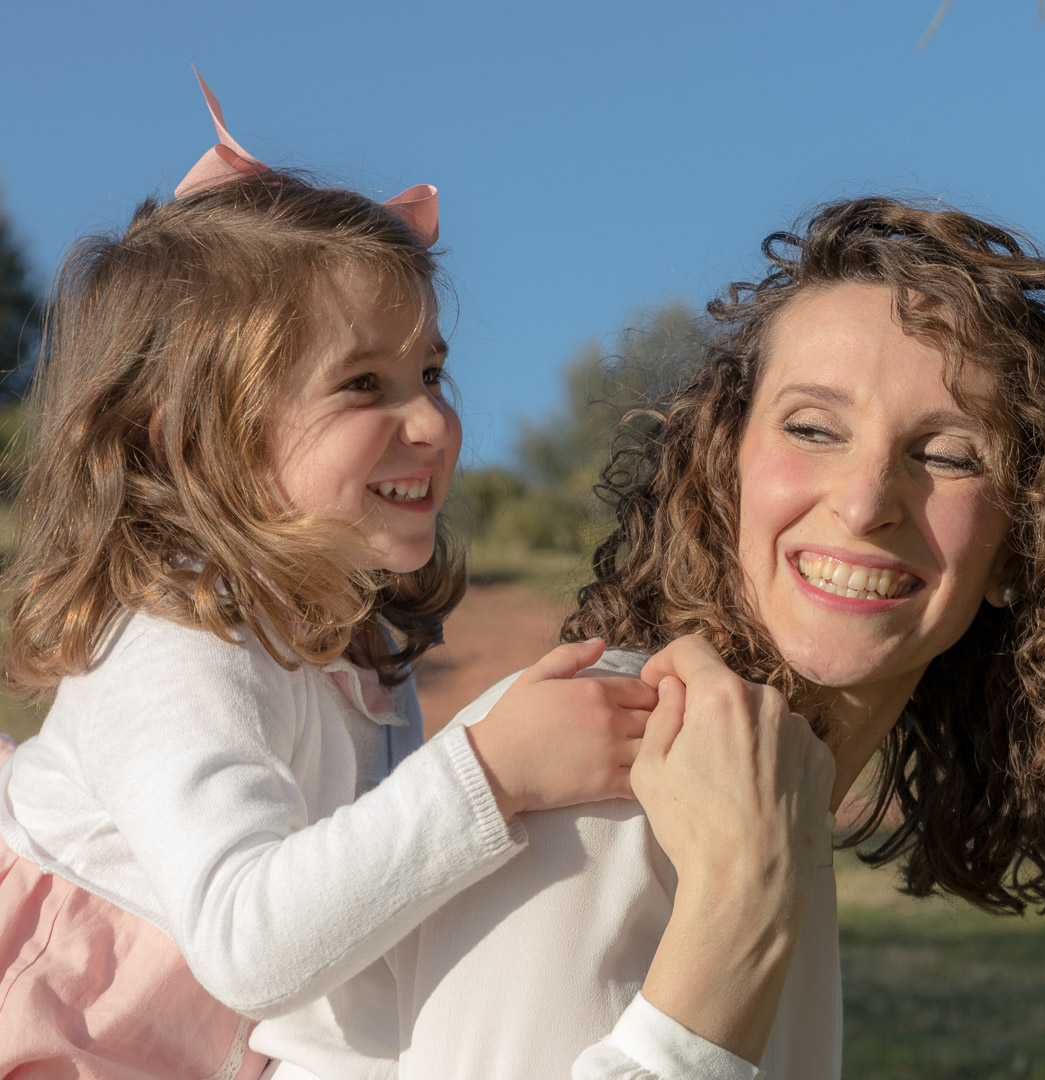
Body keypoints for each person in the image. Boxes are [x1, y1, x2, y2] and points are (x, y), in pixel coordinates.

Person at [352, 196, 1045, 1078]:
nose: (866, 502)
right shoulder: (594, 777)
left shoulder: (781, 808)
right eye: (812, 429)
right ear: (723, 470)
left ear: (1028, 543)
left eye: (950, 455)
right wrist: (742, 913)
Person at [0, 77, 652, 1079]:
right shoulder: (174, 645)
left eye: (429, 373)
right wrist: (490, 770)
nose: (432, 421)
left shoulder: (357, 643)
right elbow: (251, 943)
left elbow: (357, 905)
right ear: (193, 436)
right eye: (363, 384)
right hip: (76, 1032)